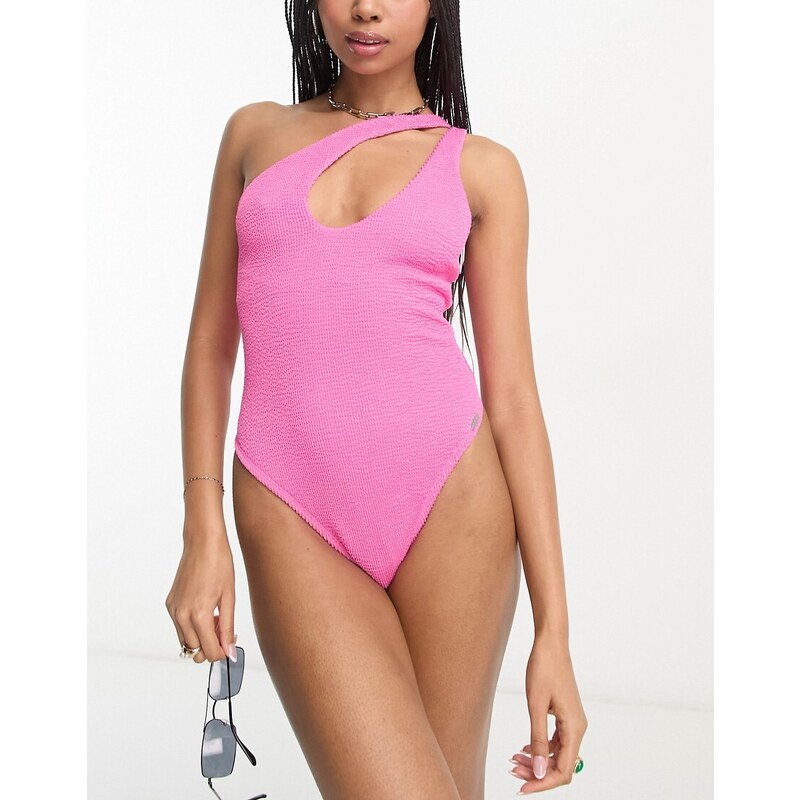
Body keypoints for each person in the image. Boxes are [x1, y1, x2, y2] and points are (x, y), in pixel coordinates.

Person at [165, 1, 588, 797]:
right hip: (291, 509)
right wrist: (202, 528)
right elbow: (210, 347)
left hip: (454, 507)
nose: (366, 7)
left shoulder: (481, 168)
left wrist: (554, 632)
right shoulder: (254, 135)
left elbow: (513, 400)